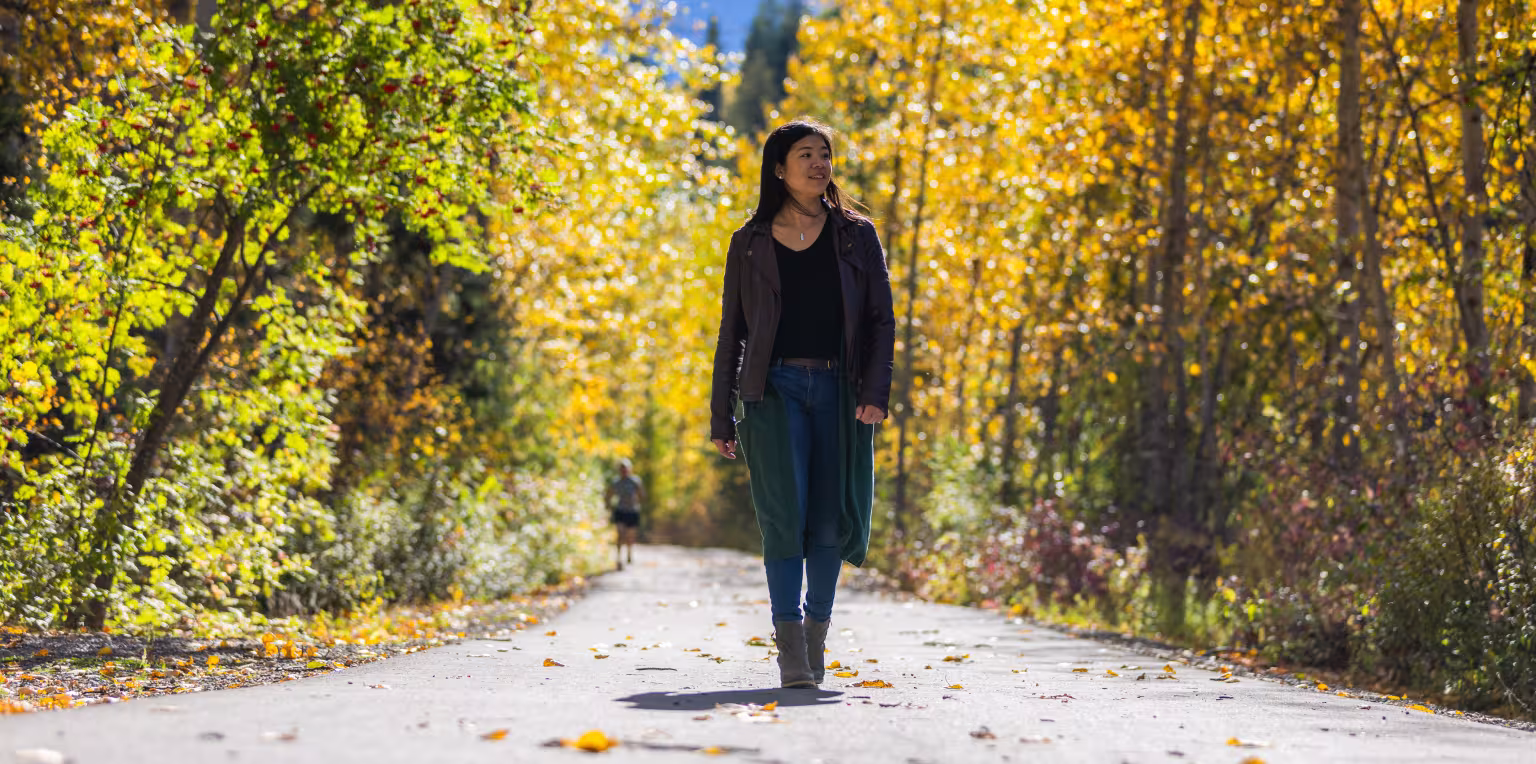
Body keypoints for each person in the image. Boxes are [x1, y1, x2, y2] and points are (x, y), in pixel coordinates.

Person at [709, 119, 895, 689]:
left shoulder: (856, 236)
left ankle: (815, 636)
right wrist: (722, 415)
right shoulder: (751, 241)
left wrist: (874, 393)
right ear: (779, 168)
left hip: (840, 393)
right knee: (782, 519)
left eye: (825, 155)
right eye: (806, 154)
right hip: (774, 393)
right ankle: (790, 646)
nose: (819, 164)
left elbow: (880, 321)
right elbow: (732, 332)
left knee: (828, 520)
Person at [604, 459, 645, 571]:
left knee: (630, 535)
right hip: (621, 511)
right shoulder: (616, 482)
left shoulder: (635, 481)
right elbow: (609, 494)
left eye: (626, 469)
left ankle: (629, 553)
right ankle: (618, 558)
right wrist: (608, 505)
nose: (624, 471)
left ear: (629, 469)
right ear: (619, 470)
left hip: (632, 511)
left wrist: (638, 502)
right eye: (622, 469)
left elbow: (642, 494)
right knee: (620, 533)